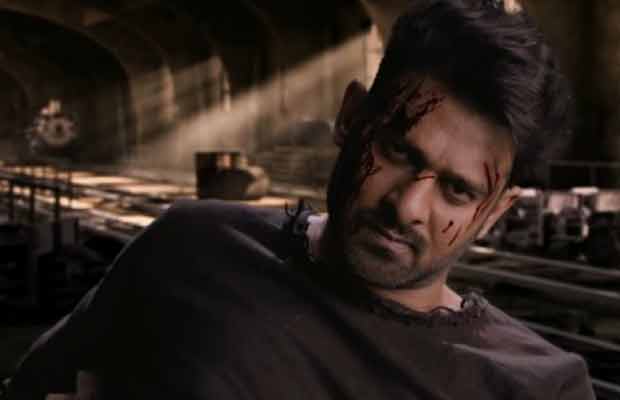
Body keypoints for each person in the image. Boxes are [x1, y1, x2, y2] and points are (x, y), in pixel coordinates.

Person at [5, 0, 595, 398]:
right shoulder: (190, 248)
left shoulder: (540, 388)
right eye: (396, 151)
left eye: (457, 190)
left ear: (496, 212)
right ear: (350, 117)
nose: (409, 206)